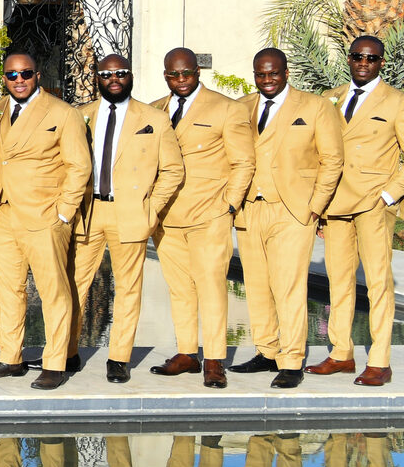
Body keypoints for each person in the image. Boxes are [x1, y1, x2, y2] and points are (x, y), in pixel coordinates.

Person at [63, 53, 183, 386]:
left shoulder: (153, 119)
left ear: (130, 76)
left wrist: (151, 208)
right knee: (73, 284)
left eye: (121, 72)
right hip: (88, 211)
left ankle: (119, 358)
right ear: (97, 77)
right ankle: (66, 352)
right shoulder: (80, 116)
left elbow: (173, 170)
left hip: (130, 212)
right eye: (106, 73)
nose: (114, 78)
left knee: (128, 289)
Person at [0, 53, 91, 385]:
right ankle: (10, 358)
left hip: (44, 215)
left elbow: (79, 166)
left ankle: (55, 363)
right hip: (0, 213)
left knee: (53, 290)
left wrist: (63, 213)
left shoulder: (62, 113)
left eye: (25, 74)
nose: (19, 80)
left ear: (37, 75)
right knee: (8, 291)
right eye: (12, 75)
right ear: (5, 79)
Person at [232, 47, 343, 387]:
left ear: (286, 72)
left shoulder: (314, 107)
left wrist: (315, 205)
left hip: (294, 210)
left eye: (273, 73)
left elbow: (332, 159)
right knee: (257, 285)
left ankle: (291, 360)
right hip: (251, 209)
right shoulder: (241, 108)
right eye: (261, 74)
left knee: (289, 286)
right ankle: (267, 352)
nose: (267, 80)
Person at [150, 49, 253, 388]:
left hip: (209, 214)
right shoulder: (154, 110)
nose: (180, 80)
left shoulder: (227, 109)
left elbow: (243, 162)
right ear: (166, 75)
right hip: (167, 216)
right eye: (173, 75)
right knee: (180, 289)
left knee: (211, 289)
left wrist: (229, 205)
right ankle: (186, 354)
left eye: (186, 73)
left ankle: (214, 360)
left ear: (197, 72)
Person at [314, 34, 402, 385]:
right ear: (348, 59)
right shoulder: (329, 98)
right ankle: (341, 353)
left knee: (378, 283)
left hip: (373, 206)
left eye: (371, 57)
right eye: (357, 56)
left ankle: (379, 360)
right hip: (336, 204)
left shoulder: (396, 102)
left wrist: (389, 195)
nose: (364, 62)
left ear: (381, 62)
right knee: (338, 281)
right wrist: (319, 205)